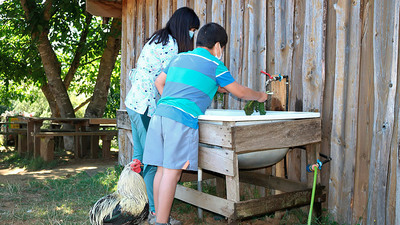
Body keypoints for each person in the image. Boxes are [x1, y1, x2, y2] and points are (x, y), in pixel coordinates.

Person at [143, 22, 269, 225]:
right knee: (172, 174)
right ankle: (162, 222)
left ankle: (157, 217)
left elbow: (159, 82)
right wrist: (261, 95)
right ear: (218, 46)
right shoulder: (214, 64)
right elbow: (240, 92)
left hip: (160, 115)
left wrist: (175, 99)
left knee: (161, 170)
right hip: (181, 120)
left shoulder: (179, 57)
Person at [124, 7, 200, 225]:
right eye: (192, 30)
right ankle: (156, 214)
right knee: (154, 162)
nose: (192, 35)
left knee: (139, 158)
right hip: (146, 106)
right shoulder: (172, 47)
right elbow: (165, 83)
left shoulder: (159, 38)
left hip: (135, 102)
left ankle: (136, 204)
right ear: (185, 28)